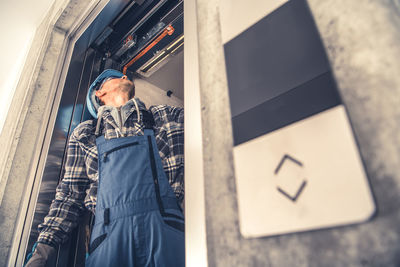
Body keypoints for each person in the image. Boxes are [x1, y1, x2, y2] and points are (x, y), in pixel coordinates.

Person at [25, 69, 185, 266]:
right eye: (117, 77)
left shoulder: (165, 116)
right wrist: (42, 252)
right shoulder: (85, 134)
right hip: (109, 239)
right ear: (99, 93)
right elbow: (69, 196)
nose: (125, 77)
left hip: (166, 230)